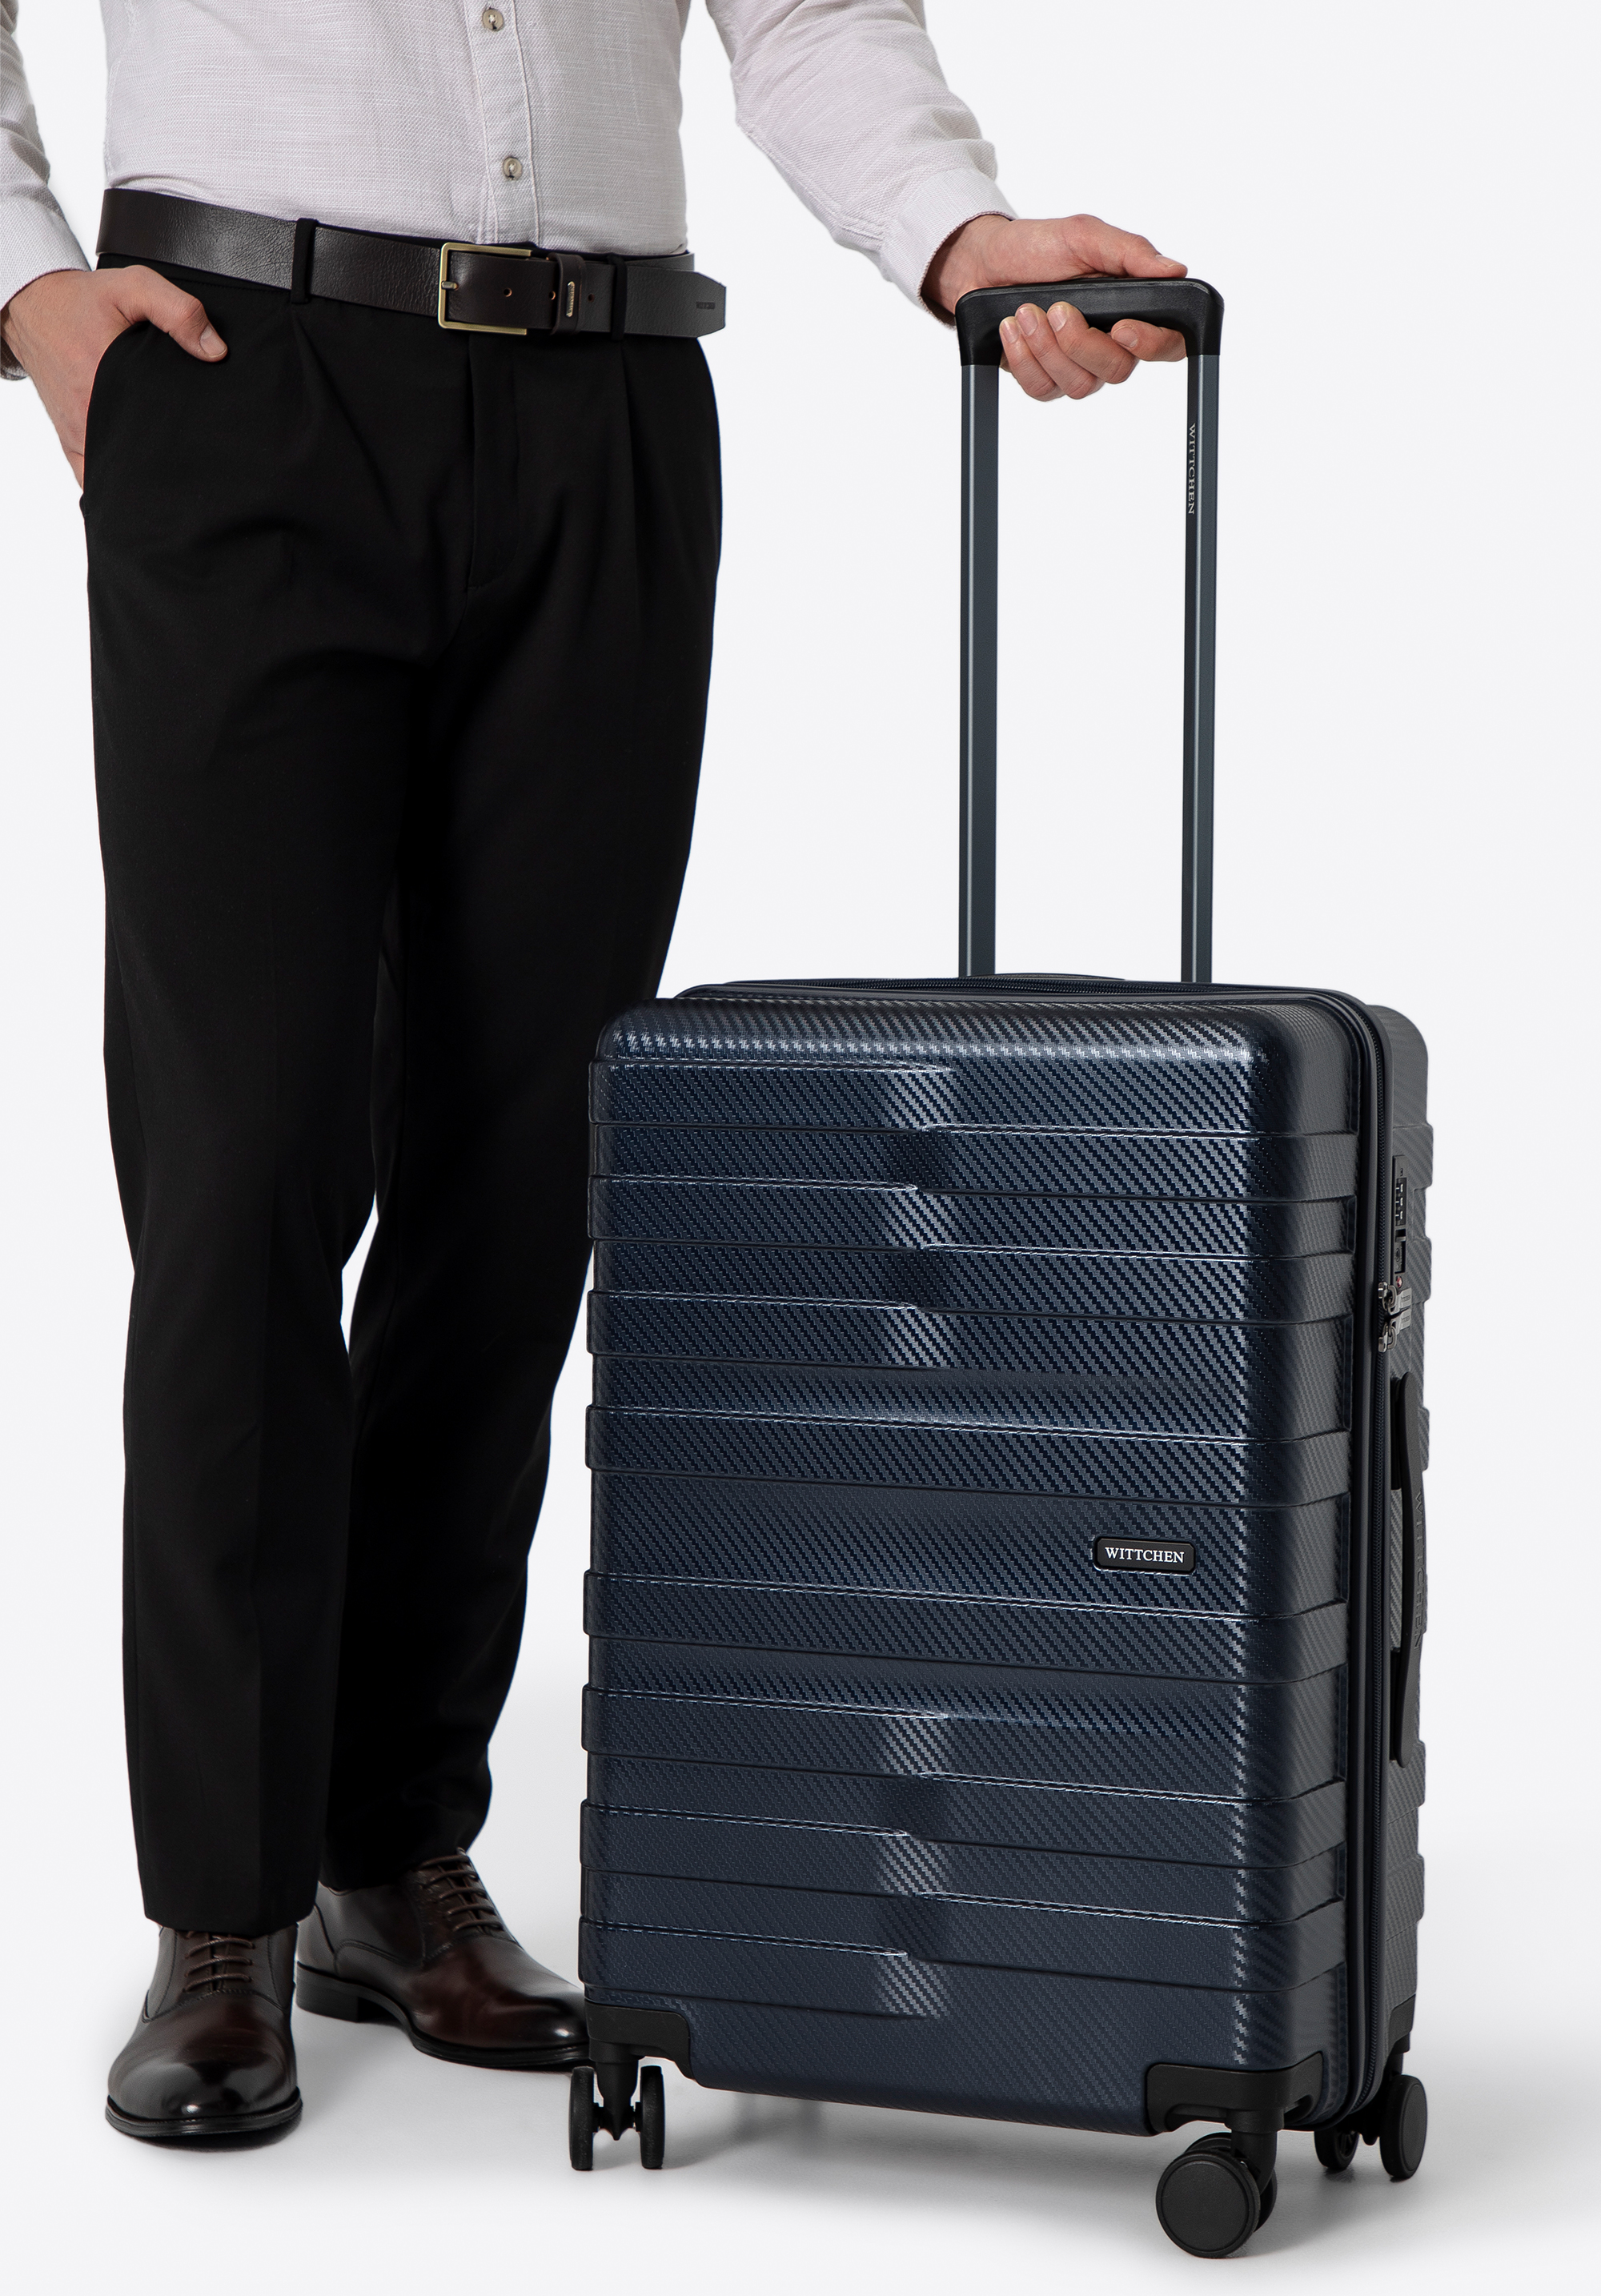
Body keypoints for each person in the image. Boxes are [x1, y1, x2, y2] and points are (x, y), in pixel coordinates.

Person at [0, 0, 1189, 2146]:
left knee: (522, 1166)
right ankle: (222, 1913)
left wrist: (956, 230)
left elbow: (804, 13)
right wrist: (29, 287)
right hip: (240, 374)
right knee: (245, 1166)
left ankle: (387, 1853)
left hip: (609, 409)